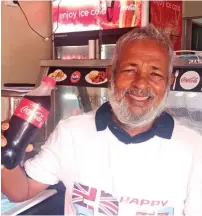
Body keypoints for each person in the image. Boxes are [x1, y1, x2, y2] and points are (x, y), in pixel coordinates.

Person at [2, 25, 202, 216]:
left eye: (156, 73)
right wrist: (4, 158)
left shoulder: (193, 147)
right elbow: (21, 192)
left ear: (169, 81)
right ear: (110, 75)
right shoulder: (71, 132)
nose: (141, 82)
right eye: (130, 70)